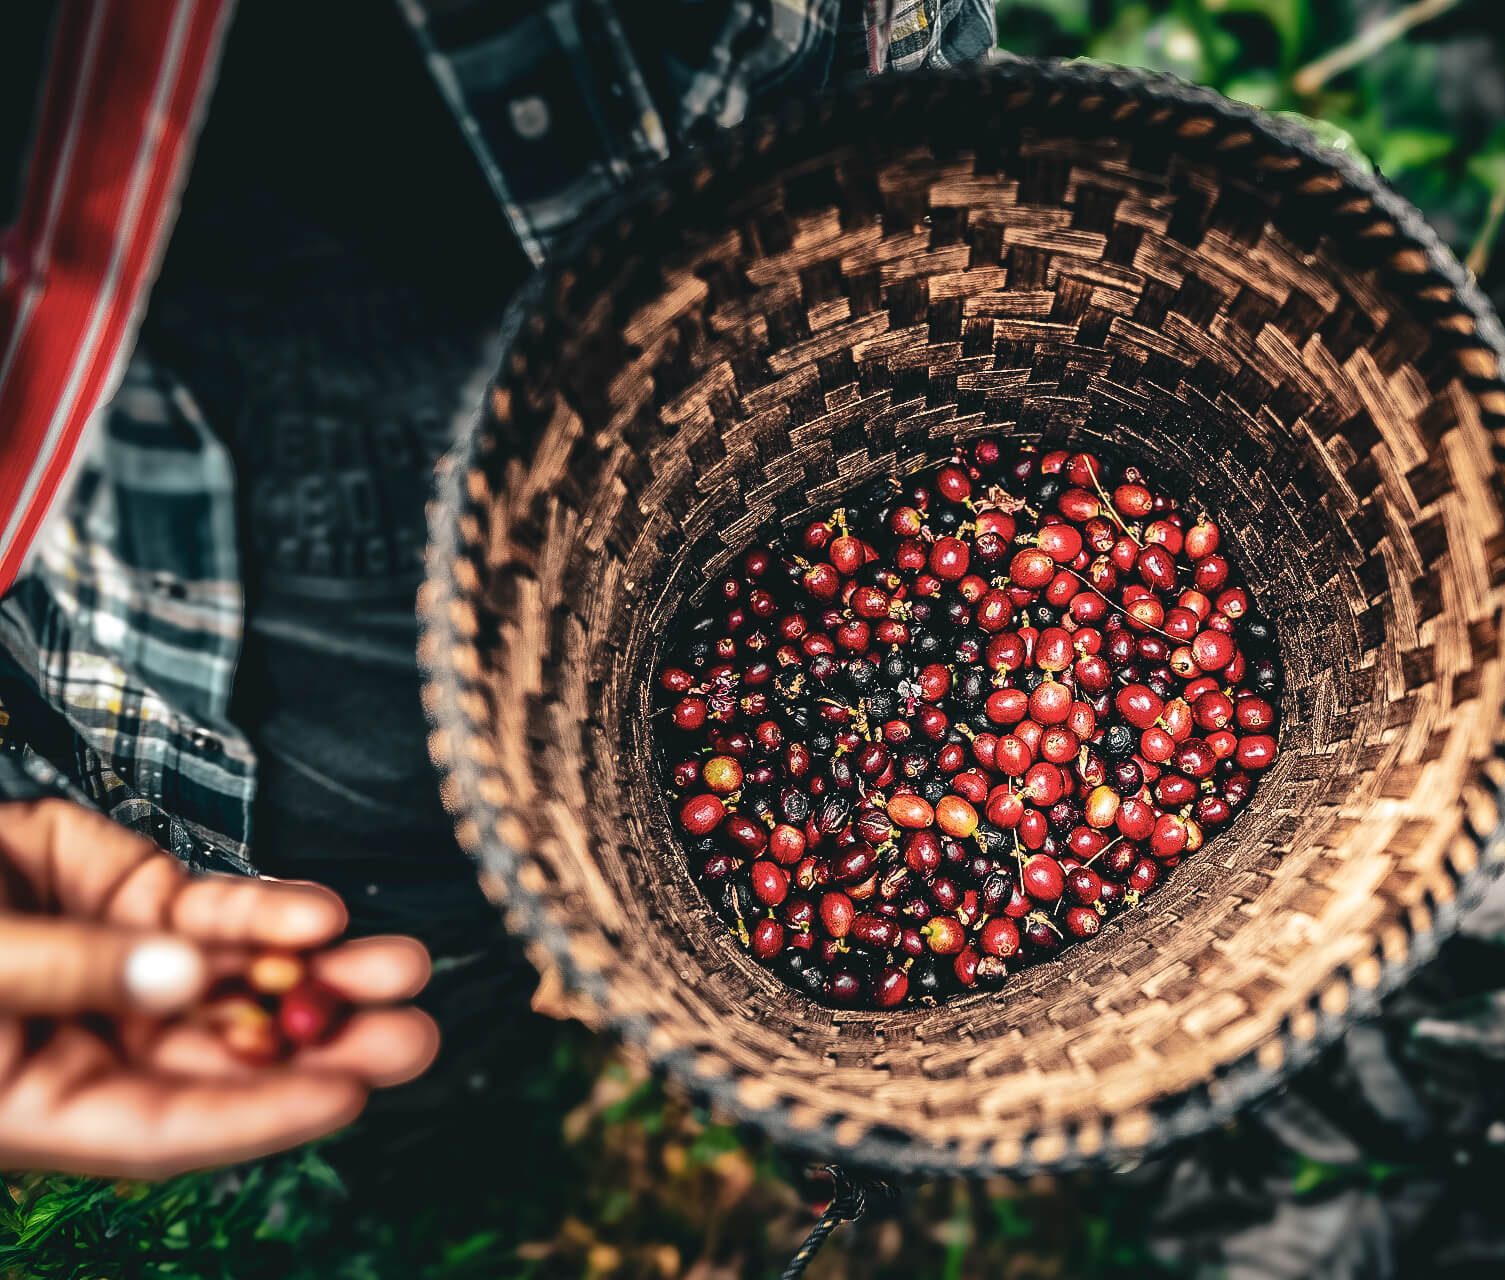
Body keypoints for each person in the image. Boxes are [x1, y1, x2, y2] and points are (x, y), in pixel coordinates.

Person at [0, 0, 995, 1179]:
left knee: (592, 811)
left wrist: (936, 102)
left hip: (733, 291)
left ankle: (470, 1061)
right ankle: (439, 1111)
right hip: (240, 461)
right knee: (373, 898)